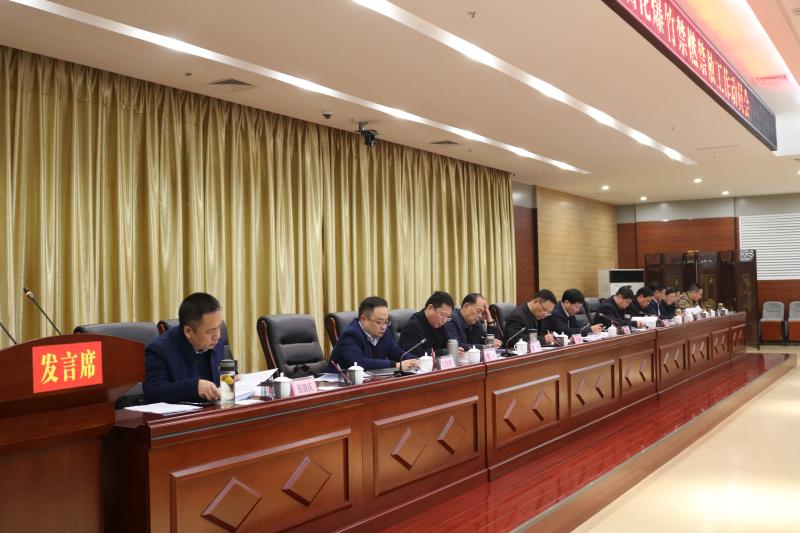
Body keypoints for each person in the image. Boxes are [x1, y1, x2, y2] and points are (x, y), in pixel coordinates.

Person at [144, 292, 225, 404]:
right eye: (211, 331)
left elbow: (221, 375)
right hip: (178, 413)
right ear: (188, 331)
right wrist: (194, 388)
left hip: (213, 409)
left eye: (219, 327)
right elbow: (153, 392)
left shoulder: (216, 342)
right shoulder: (159, 350)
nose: (217, 336)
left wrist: (231, 378)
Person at [330, 296, 418, 371]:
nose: (383, 327)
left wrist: (414, 360)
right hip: (340, 383)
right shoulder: (350, 335)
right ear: (363, 319)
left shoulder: (385, 332)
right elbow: (360, 363)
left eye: (386, 322)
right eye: (379, 322)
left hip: (372, 380)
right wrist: (396, 365)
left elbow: (397, 353)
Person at [399, 291, 455, 357]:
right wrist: (443, 352)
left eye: (448, 317)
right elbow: (414, 355)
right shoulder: (411, 327)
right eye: (443, 315)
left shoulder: (439, 324)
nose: (445, 320)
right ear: (430, 308)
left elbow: (446, 344)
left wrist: (453, 349)